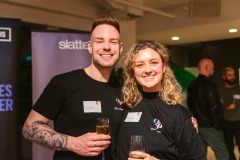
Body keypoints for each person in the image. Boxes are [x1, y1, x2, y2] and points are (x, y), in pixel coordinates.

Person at [22, 15, 124, 160]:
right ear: (90, 46)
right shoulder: (64, 83)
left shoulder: (122, 90)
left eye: (113, 42)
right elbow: (29, 128)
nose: (107, 47)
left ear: (120, 48)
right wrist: (72, 143)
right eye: (99, 41)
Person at [117, 40, 206, 160]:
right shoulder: (123, 107)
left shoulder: (179, 114)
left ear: (163, 66)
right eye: (140, 65)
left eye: (153, 62)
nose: (147, 70)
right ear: (133, 71)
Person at [187, 58, 229, 160]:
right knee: (222, 153)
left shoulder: (191, 85)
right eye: (212, 68)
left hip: (197, 126)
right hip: (210, 126)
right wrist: (217, 125)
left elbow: (190, 105)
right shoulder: (210, 85)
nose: (213, 70)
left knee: (200, 154)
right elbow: (213, 108)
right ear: (206, 67)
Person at [218, 67, 240, 160]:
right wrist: (226, 107)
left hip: (239, 122)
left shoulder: (238, 88)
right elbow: (217, 107)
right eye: (229, 75)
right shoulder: (219, 90)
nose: (232, 77)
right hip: (226, 123)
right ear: (224, 77)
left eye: (233, 75)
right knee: (229, 147)